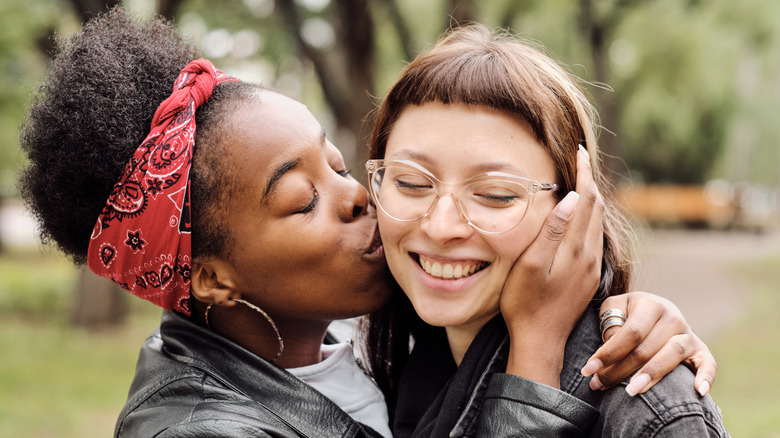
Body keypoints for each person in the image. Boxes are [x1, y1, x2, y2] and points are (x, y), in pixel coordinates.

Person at [18, 8, 717, 437]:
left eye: (340, 166)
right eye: (302, 200)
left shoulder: (377, 346)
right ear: (212, 278)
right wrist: (536, 353)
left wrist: (627, 311)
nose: (358, 200)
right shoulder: (199, 428)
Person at [363, 24, 729, 437]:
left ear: (576, 210)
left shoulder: (649, 410)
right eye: (411, 183)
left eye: (495, 194)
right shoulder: (387, 374)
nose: (440, 226)